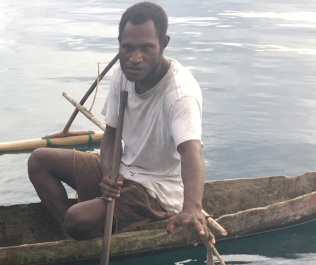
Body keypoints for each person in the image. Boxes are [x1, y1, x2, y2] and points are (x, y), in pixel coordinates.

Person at [27, 2, 211, 245]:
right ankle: (74, 237)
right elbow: (111, 135)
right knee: (39, 160)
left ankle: (78, 231)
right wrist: (109, 175)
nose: (135, 58)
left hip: (155, 191)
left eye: (146, 48)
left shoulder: (179, 94)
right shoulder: (124, 74)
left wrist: (192, 208)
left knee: (77, 218)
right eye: (128, 48)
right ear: (119, 43)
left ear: (164, 43)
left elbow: (191, 151)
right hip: (123, 170)